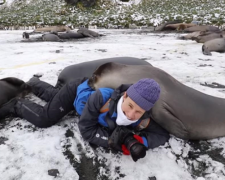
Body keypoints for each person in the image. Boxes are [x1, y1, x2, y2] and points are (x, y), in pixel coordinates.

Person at [0, 76, 169, 162]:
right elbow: (86, 130)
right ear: (125, 96)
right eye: (130, 106)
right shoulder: (102, 98)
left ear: (146, 111)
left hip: (82, 105)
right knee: (45, 118)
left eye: (139, 112)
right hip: (78, 92)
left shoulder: (141, 118)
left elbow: (162, 135)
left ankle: (34, 83)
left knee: (54, 97)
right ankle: (16, 104)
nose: (131, 115)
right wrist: (113, 141)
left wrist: (141, 141)